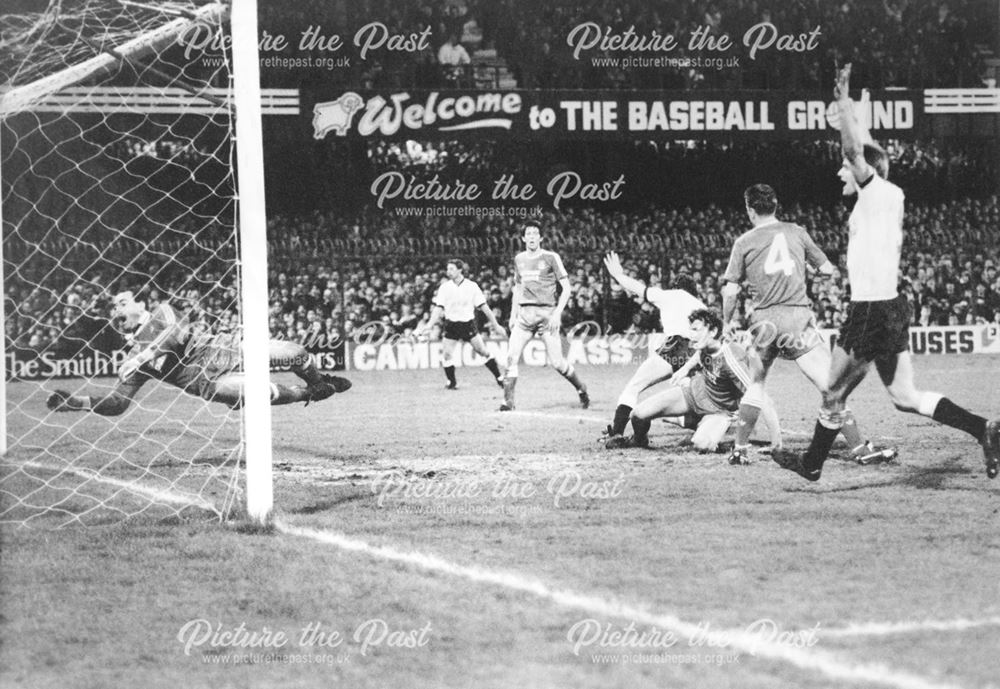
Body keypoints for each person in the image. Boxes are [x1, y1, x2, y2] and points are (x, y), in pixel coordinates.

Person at [774, 64, 999, 481]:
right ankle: (983, 428)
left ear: (865, 174)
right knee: (904, 396)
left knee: (832, 390)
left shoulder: (873, 191)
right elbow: (867, 149)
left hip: (872, 310)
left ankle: (812, 464)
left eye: (847, 170)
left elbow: (856, 153)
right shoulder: (888, 195)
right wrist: (858, 112)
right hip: (891, 306)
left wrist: (843, 105)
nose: (841, 172)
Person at [722, 183, 890, 466]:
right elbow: (827, 270)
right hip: (797, 319)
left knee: (756, 383)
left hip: (763, 322)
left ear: (750, 210)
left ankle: (740, 449)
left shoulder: (744, 242)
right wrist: (808, 271)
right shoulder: (796, 232)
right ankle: (860, 447)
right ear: (775, 206)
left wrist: (727, 321)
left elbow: (731, 290)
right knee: (830, 384)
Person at [46, 291, 351, 415]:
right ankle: (308, 393)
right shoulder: (134, 360)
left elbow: (176, 335)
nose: (117, 308)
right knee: (259, 393)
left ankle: (320, 380)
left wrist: (144, 355)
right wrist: (78, 402)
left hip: (224, 349)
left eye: (122, 302)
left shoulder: (161, 311)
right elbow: (117, 403)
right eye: (113, 307)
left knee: (295, 352)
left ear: (139, 304)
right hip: (210, 383)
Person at [601, 251, 782, 451]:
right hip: (697, 350)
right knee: (703, 389)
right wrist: (686, 368)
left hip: (676, 345)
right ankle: (713, 422)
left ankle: (617, 432)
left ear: (676, 287)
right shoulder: (702, 309)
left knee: (634, 387)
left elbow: (639, 289)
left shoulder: (671, 295)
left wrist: (618, 276)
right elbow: (715, 345)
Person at [627, 309, 761, 451]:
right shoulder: (707, 344)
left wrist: (749, 431)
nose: (691, 335)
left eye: (696, 330)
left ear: (713, 331)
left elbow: (754, 394)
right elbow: (699, 353)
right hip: (695, 394)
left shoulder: (732, 359)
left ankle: (709, 425)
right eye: (691, 330)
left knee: (701, 444)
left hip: (720, 410)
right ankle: (639, 440)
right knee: (637, 415)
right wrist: (684, 369)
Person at [500, 224, 588, 411]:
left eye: (535, 233)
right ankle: (508, 402)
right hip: (524, 316)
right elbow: (518, 287)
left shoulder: (551, 257)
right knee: (510, 357)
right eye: (528, 234)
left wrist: (557, 314)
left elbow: (567, 289)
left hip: (547, 315)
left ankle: (581, 388)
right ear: (523, 239)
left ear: (541, 238)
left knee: (558, 363)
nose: (531, 236)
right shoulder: (519, 259)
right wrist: (512, 314)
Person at [425, 259, 507, 389]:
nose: (448, 272)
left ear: (460, 270)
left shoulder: (471, 286)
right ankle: (452, 382)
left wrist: (496, 325)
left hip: (467, 324)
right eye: (448, 269)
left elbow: (484, 307)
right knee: (446, 354)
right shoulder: (445, 287)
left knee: (483, 351)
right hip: (451, 325)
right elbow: (438, 308)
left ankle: (499, 377)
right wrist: (429, 325)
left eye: (451, 269)